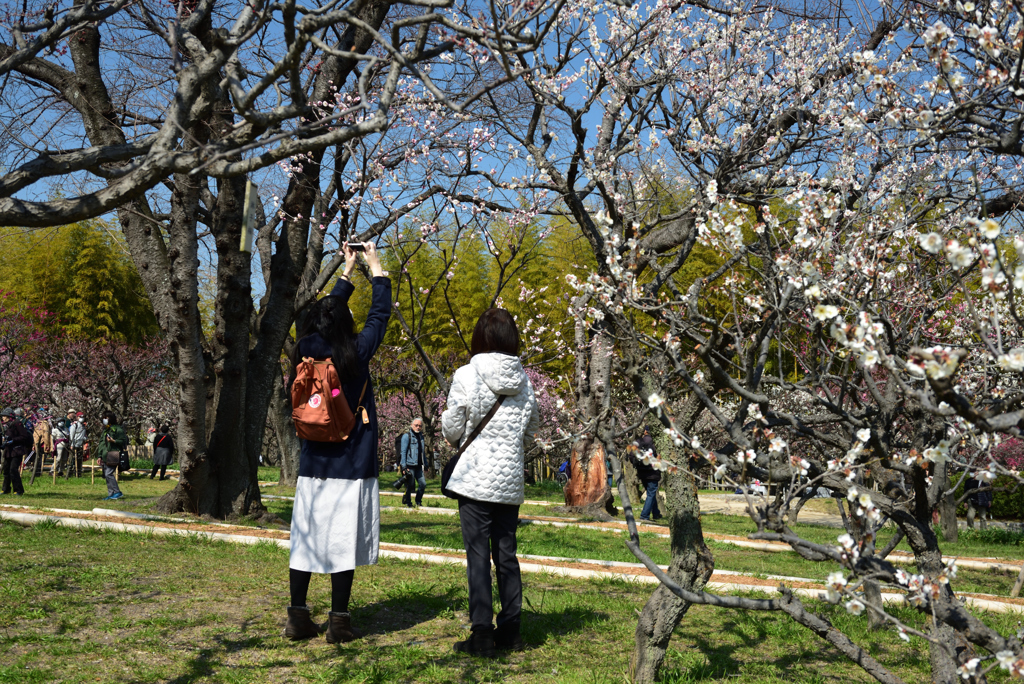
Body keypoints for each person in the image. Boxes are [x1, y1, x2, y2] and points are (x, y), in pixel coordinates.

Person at [284, 242, 391, 644]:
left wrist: (344, 273)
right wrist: (374, 266)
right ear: (345, 324)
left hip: (313, 462)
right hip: (352, 459)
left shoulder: (301, 351)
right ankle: (339, 622)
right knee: (344, 539)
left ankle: (297, 617)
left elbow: (319, 315)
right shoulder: (355, 353)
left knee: (306, 537)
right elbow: (379, 316)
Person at [442, 309, 540, 657]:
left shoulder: (467, 374)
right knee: (507, 555)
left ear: (480, 337)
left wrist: (450, 424)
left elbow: (453, 429)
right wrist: (509, 448)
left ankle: (482, 634)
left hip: (474, 480)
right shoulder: (525, 380)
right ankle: (511, 632)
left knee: (478, 556)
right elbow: (531, 429)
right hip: (509, 480)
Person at [95, 411, 128, 501]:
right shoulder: (106, 430)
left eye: (106, 418)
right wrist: (100, 456)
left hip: (114, 453)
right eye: (104, 418)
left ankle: (117, 491)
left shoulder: (118, 429)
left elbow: (123, 441)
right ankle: (111, 494)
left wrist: (114, 441)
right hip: (105, 454)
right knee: (106, 474)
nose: (104, 420)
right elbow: (102, 443)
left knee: (108, 473)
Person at [633, 427, 663, 522]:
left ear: (645, 431)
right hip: (653, 472)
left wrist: (636, 465)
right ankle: (644, 515)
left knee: (651, 492)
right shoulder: (656, 443)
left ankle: (656, 513)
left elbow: (631, 455)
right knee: (651, 493)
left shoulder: (638, 441)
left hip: (642, 472)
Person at [1, 409, 30, 495]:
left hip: (17, 451)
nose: (3, 418)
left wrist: (13, 440)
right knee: (6, 470)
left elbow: (24, 436)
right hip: (8, 451)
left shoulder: (17, 424)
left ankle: (18, 490)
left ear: (10, 416)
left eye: (5, 416)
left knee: (13, 470)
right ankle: (6, 489)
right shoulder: (6, 426)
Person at [399, 418, 427, 507]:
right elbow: (403, 452)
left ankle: (418, 501)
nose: (418, 427)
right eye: (416, 425)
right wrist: (403, 466)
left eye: (420, 426)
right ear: (412, 425)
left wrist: (425, 464)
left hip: (418, 465)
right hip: (409, 465)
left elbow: (423, 452)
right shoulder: (407, 436)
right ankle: (408, 502)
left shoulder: (421, 437)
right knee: (410, 485)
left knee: (423, 484)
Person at [51, 412, 73, 479]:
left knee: (64, 459)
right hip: (59, 444)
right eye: (60, 422)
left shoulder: (66, 429)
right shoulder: (55, 430)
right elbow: (52, 439)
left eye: (62, 421)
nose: (61, 423)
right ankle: (52, 470)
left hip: (65, 445)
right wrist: (52, 445)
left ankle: (61, 471)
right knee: (58, 458)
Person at [69, 412, 87, 477]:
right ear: (77, 417)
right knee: (72, 459)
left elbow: (84, 435)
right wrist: (72, 444)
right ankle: (70, 472)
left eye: (82, 417)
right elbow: (71, 436)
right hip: (74, 445)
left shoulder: (83, 426)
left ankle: (78, 472)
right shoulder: (74, 425)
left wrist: (85, 439)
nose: (81, 418)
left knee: (79, 459)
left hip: (80, 445)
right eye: (80, 417)